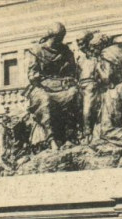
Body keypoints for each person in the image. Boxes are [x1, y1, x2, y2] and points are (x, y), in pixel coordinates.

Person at [25, 22, 80, 150]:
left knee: (74, 94)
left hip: (61, 87)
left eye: (61, 38)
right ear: (50, 36)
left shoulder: (66, 52)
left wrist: (69, 80)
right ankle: (51, 140)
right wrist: (37, 78)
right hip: (43, 87)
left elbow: (72, 72)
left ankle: (70, 137)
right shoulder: (37, 50)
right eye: (57, 38)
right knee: (45, 100)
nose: (60, 41)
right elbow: (32, 74)